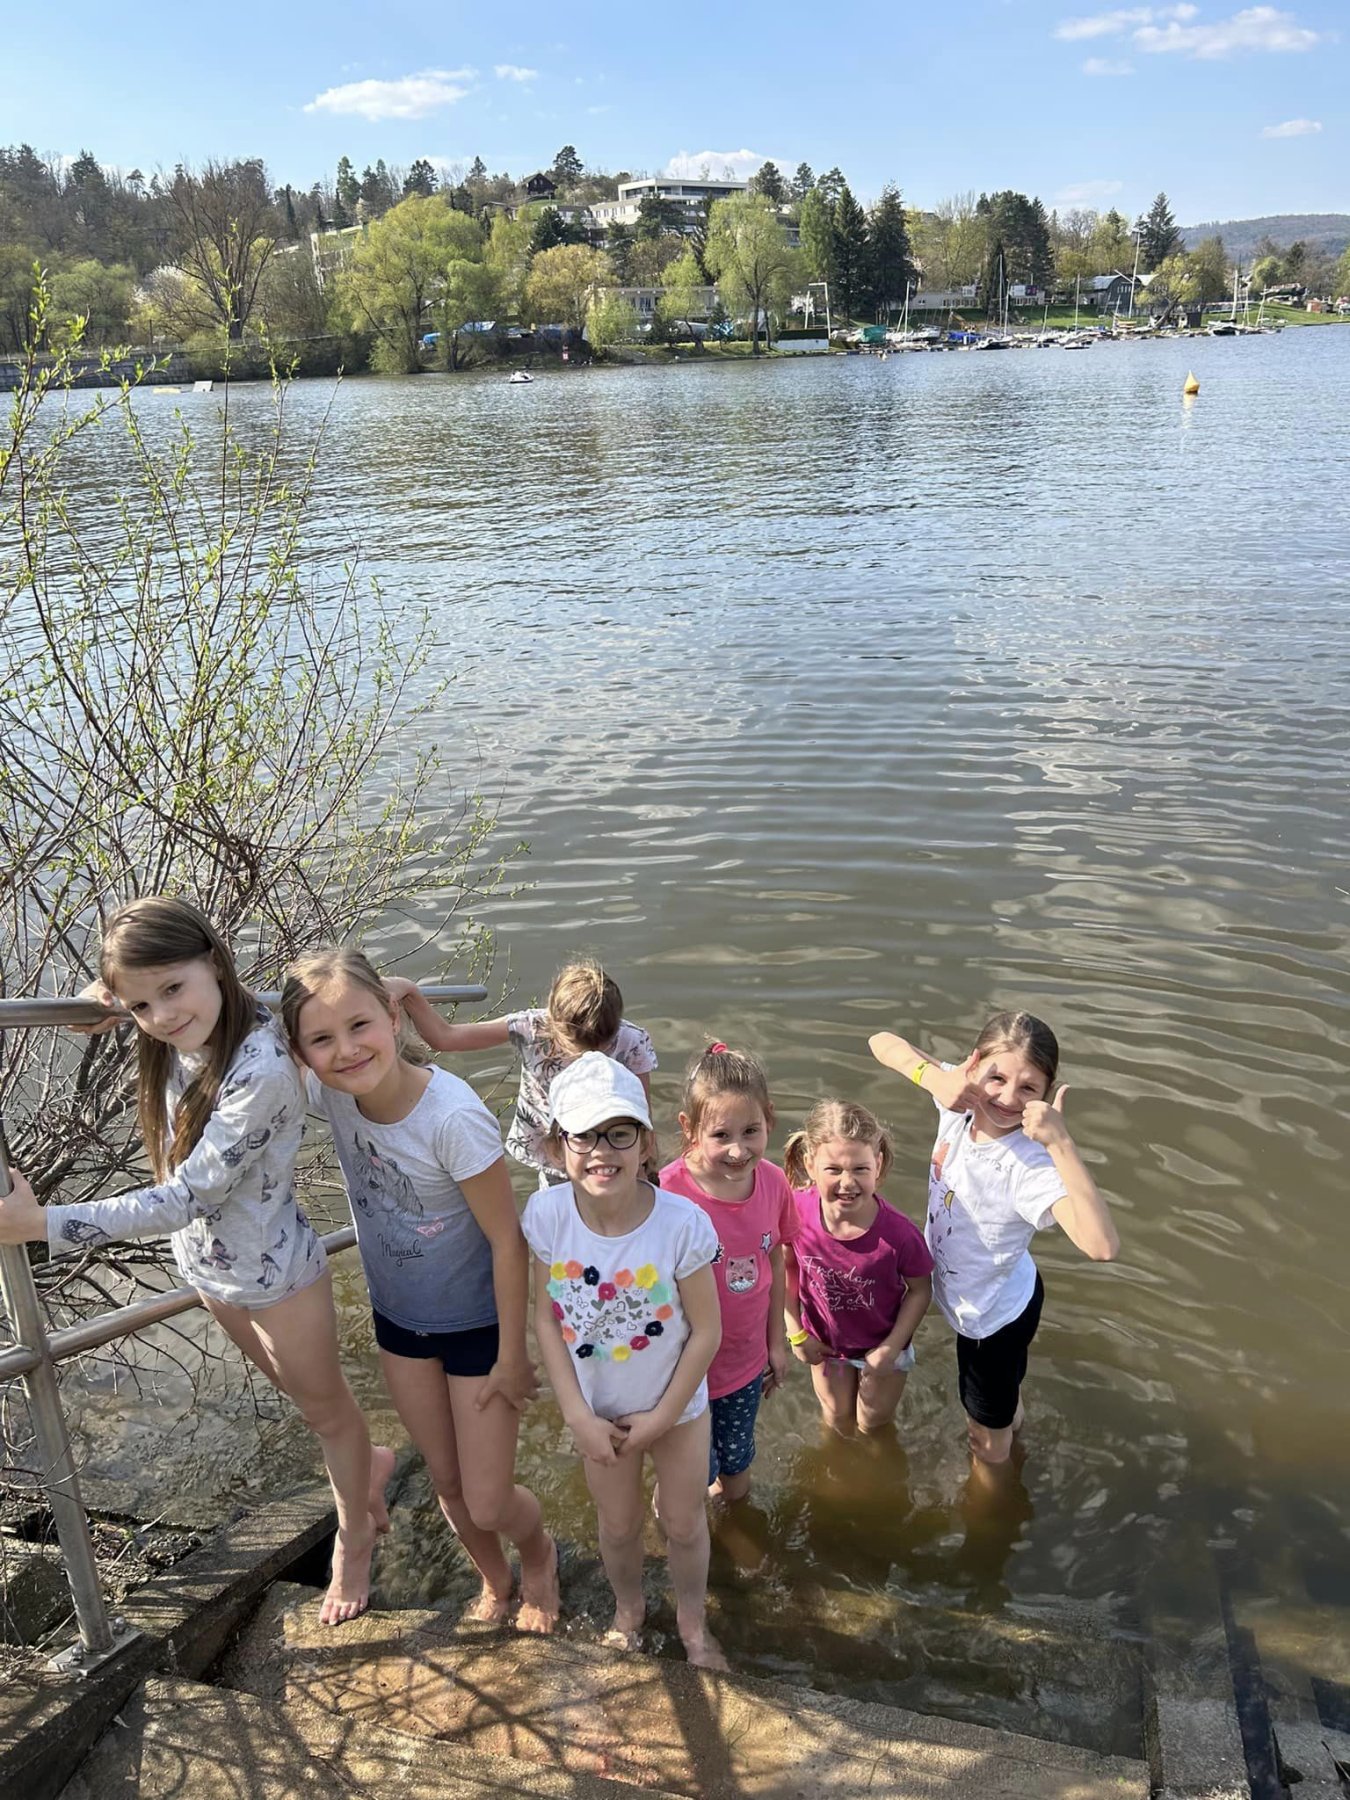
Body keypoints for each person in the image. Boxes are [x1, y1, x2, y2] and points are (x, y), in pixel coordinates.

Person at [0, 897, 391, 1624]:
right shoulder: (187, 1027)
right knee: (309, 1405)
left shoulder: (262, 1067)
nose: (162, 1015)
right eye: (142, 1004)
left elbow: (185, 1197)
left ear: (215, 960)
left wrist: (41, 1223)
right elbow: (156, 1003)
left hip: (277, 1279)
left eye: (173, 987)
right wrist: (110, 998)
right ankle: (371, 1468)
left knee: (330, 1415)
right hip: (209, 1272)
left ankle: (356, 1537)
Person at [281, 948, 560, 1633]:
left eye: (360, 1025)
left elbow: (508, 1241)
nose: (347, 1050)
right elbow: (223, 1030)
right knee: (448, 1481)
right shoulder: (331, 1090)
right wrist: (115, 1001)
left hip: (477, 1328)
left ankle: (539, 1555)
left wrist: (514, 1355)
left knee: (488, 1498)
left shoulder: (451, 1117)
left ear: (392, 1016)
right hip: (400, 1322)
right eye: (322, 1038)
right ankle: (495, 1580)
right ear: (301, 1051)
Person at [522, 1053, 727, 1669]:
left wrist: (663, 1416)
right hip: (598, 1412)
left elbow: (707, 1332)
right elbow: (545, 1320)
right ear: (558, 1147)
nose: (600, 1151)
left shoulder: (681, 1225)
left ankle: (692, 1622)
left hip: (677, 1408)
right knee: (617, 1526)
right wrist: (577, 1416)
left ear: (647, 1144)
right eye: (583, 1136)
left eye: (619, 1133)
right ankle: (629, 1609)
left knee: (684, 1523)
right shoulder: (547, 1217)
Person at [868, 1012, 1119, 1487]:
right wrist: (933, 1078)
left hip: (992, 1321)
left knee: (985, 1441)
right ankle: (1014, 1429)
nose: (1006, 1098)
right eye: (997, 1078)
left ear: (1046, 1095)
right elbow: (880, 1040)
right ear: (974, 1065)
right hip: (999, 1292)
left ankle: (995, 1508)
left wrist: (1060, 1142)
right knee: (1004, 1406)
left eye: (1028, 1088)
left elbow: (1101, 1245)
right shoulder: (957, 1098)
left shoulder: (1029, 1165)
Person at [659, 1044, 797, 1501]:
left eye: (751, 1131)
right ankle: (675, 1530)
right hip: (681, 1373)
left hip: (744, 1364)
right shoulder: (666, 1192)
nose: (739, 1150)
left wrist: (776, 1343)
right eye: (721, 1135)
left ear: (769, 1119)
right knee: (688, 1475)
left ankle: (737, 1527)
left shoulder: (774, 1182)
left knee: (737, 1464)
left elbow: (774, 1259)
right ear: (689, 1128)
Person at [388, 959, 656, 1187]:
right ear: (553, 1019)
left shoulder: (631, 1040)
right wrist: (410, 991)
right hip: (556, 1157)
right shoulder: (534, 1028)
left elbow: (642, 1113)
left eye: (602, 1045)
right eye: (576, 1047)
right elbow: (445, 1037)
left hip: (610, 1152)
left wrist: (646, 1168)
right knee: (556, 1220)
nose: (588, 1056)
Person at [782, 1100, 933, 1437]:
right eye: (834, 1170)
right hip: (824, 1345)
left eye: (860, 1169)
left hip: (883, 1346)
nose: (847, 1182)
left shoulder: (900, 1235)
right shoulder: (796, 1211)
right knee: (835, 1419)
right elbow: (784, 1267)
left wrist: (891, 1348)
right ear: (810, 1164)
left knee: (872, 1425)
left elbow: (921, 1290)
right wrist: (796, 1333)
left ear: (877, 1165)